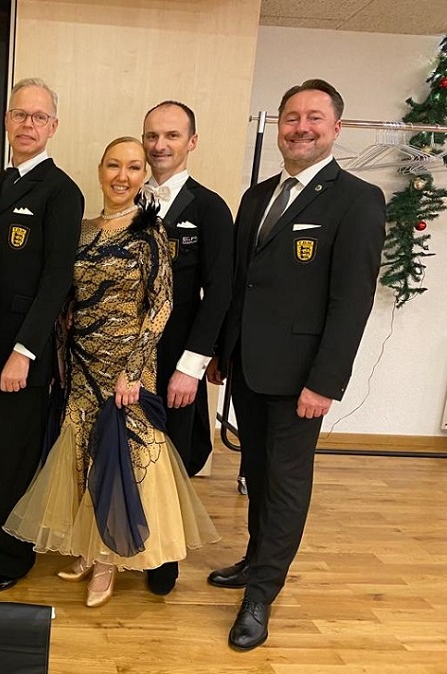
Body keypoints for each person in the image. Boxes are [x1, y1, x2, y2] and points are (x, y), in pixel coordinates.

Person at [208, 79, 386, 651]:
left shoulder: (357, 200)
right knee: (256, 471)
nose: (300, 128)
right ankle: (255, 559)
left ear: (336, 128)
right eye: (291, 117)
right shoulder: (257, 196)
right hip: (248, 366)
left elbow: (351, 302)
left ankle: (261, 595)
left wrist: (324, 382)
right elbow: (241, 282)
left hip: (301, 378)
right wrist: (223, 352)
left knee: (285, 483)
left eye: (314, 118)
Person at [3, 137, 218, 607]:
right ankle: (88, 546)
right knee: (83, 456)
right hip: (82, 364)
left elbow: (162, 306)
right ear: (100, 170)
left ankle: (108, 558)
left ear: (143, 177)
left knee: (120, 459)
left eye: (133, 168)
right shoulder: (82, 230)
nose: (122, 176)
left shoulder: (150, 231)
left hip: (127, 368)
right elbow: (65, 297)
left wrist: (134, 370)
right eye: (114, 166)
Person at [0, 78, 83, 593]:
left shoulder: (62, 192)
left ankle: (13, 556)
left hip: (22, 349)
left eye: (38, 117)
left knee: (17, 455)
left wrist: (24, 352)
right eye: (19, 115)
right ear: (7, 122)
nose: (27, 124)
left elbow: (56, 280)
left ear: (53, 126)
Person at [142, 101, 233, 478]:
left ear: (192, 142)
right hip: (127, 354)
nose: (160, 145)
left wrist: (190, 368)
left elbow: (220, 292)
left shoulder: (210, 208)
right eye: (152, 136)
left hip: (177, 352)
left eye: (172, 135)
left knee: (171, 461)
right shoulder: (127, 200)